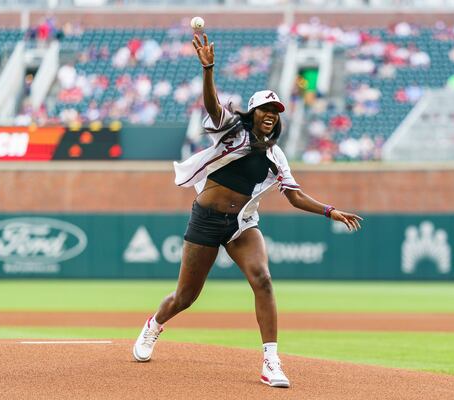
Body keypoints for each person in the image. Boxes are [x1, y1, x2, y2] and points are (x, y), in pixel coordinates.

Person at [132, 33, 363, 388]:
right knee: (186, 297)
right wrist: (208, 69)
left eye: (275, 112)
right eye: (265, 110)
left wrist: (331, 211)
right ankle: (153, 326)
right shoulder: (230, 131)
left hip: (241, 224)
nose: (270, 115)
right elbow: (211, 106)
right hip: (206, 220)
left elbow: (295, 197)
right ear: (253, 113)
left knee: (264, 280)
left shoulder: (275, 155)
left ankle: (271, 360)